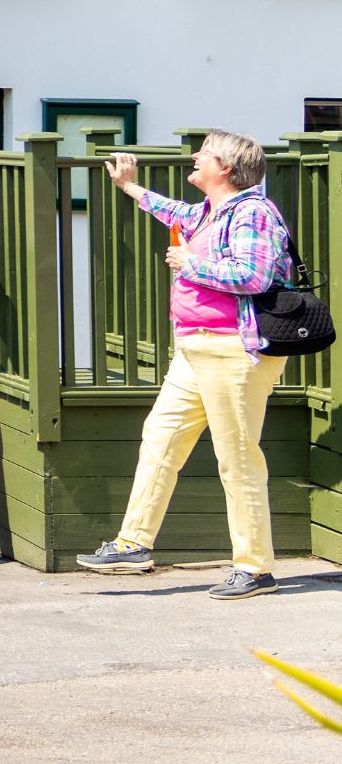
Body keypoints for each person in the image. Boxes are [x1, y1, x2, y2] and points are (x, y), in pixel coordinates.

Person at [78, 132, 295, 600]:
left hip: (233, 351)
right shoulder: (212, 212)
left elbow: (252, 275)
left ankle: (256, 569)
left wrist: (191, 262)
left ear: (227, 169)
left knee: (237, 460)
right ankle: (134, 544)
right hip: (193, 350)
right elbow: (173, 211)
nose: (194, 157)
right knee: (160, 439)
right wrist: (130, 187)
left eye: (205, 154)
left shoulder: (252, 212)